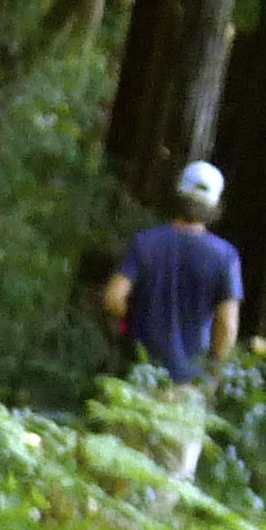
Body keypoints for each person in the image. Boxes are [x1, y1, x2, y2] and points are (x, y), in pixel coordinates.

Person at [102, 160, 244, 477]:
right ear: (214, 206)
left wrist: (136, 317)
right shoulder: (225, 257)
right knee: (171, 478)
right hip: (188, 382)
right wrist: (215, 368)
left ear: (178, 195)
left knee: (119, 470)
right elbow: (227, 324)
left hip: (138, 374)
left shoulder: (146, 243)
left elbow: (113, 298)